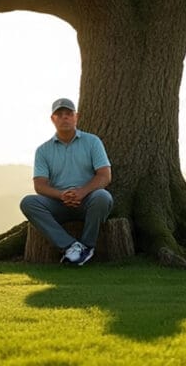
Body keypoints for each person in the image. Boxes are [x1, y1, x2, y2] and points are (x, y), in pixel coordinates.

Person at [20, 97, 113, 266]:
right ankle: (71, 247)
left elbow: (104, 176)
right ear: (52, 119)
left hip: (88, 201)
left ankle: (86, 247)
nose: (64, 117)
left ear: (76, 117)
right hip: (58, 204)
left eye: (68, 114)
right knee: (28, 202)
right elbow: (39, 185)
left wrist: (81, 192)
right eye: (59, 114)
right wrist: (62, 195)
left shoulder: (92, 142)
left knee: (103, 197)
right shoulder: (43, 150)